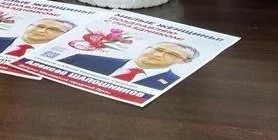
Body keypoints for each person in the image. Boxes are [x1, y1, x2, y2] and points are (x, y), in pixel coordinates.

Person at [59, 43, 197, 89]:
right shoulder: (82, 59)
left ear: (184, 62)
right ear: (147, 47)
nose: (158, 54)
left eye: (172, 54)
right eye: (158, 49)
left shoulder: (173, 85)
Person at [0, 17, 75, 55]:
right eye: (39, 26)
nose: (42, 30)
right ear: (28, 26)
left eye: (53, 29)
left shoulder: (70, 58)